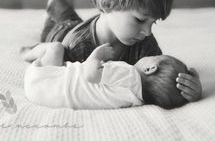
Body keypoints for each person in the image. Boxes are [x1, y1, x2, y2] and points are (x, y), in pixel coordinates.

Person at [29, 0, 202, 102]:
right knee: (62, 20)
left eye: (154, 22)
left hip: (82, 27)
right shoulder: (76, 46)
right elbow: (56, 81)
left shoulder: (144, 44)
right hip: (62, 32)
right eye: (140, 20)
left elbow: (158, 78)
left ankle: (57, 2)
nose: (148, 32)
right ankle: (54, 1)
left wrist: (187, 88)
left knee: (71, 17)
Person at [24, 42, 189, 109]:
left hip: (43, 81)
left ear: (150, 68)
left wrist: (97, 55)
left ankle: (29, 53)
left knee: (56, 47)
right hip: (49, 98)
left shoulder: (130, 74)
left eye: (155, 57)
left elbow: (89, 75)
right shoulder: (136, 101)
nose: (150, 55)